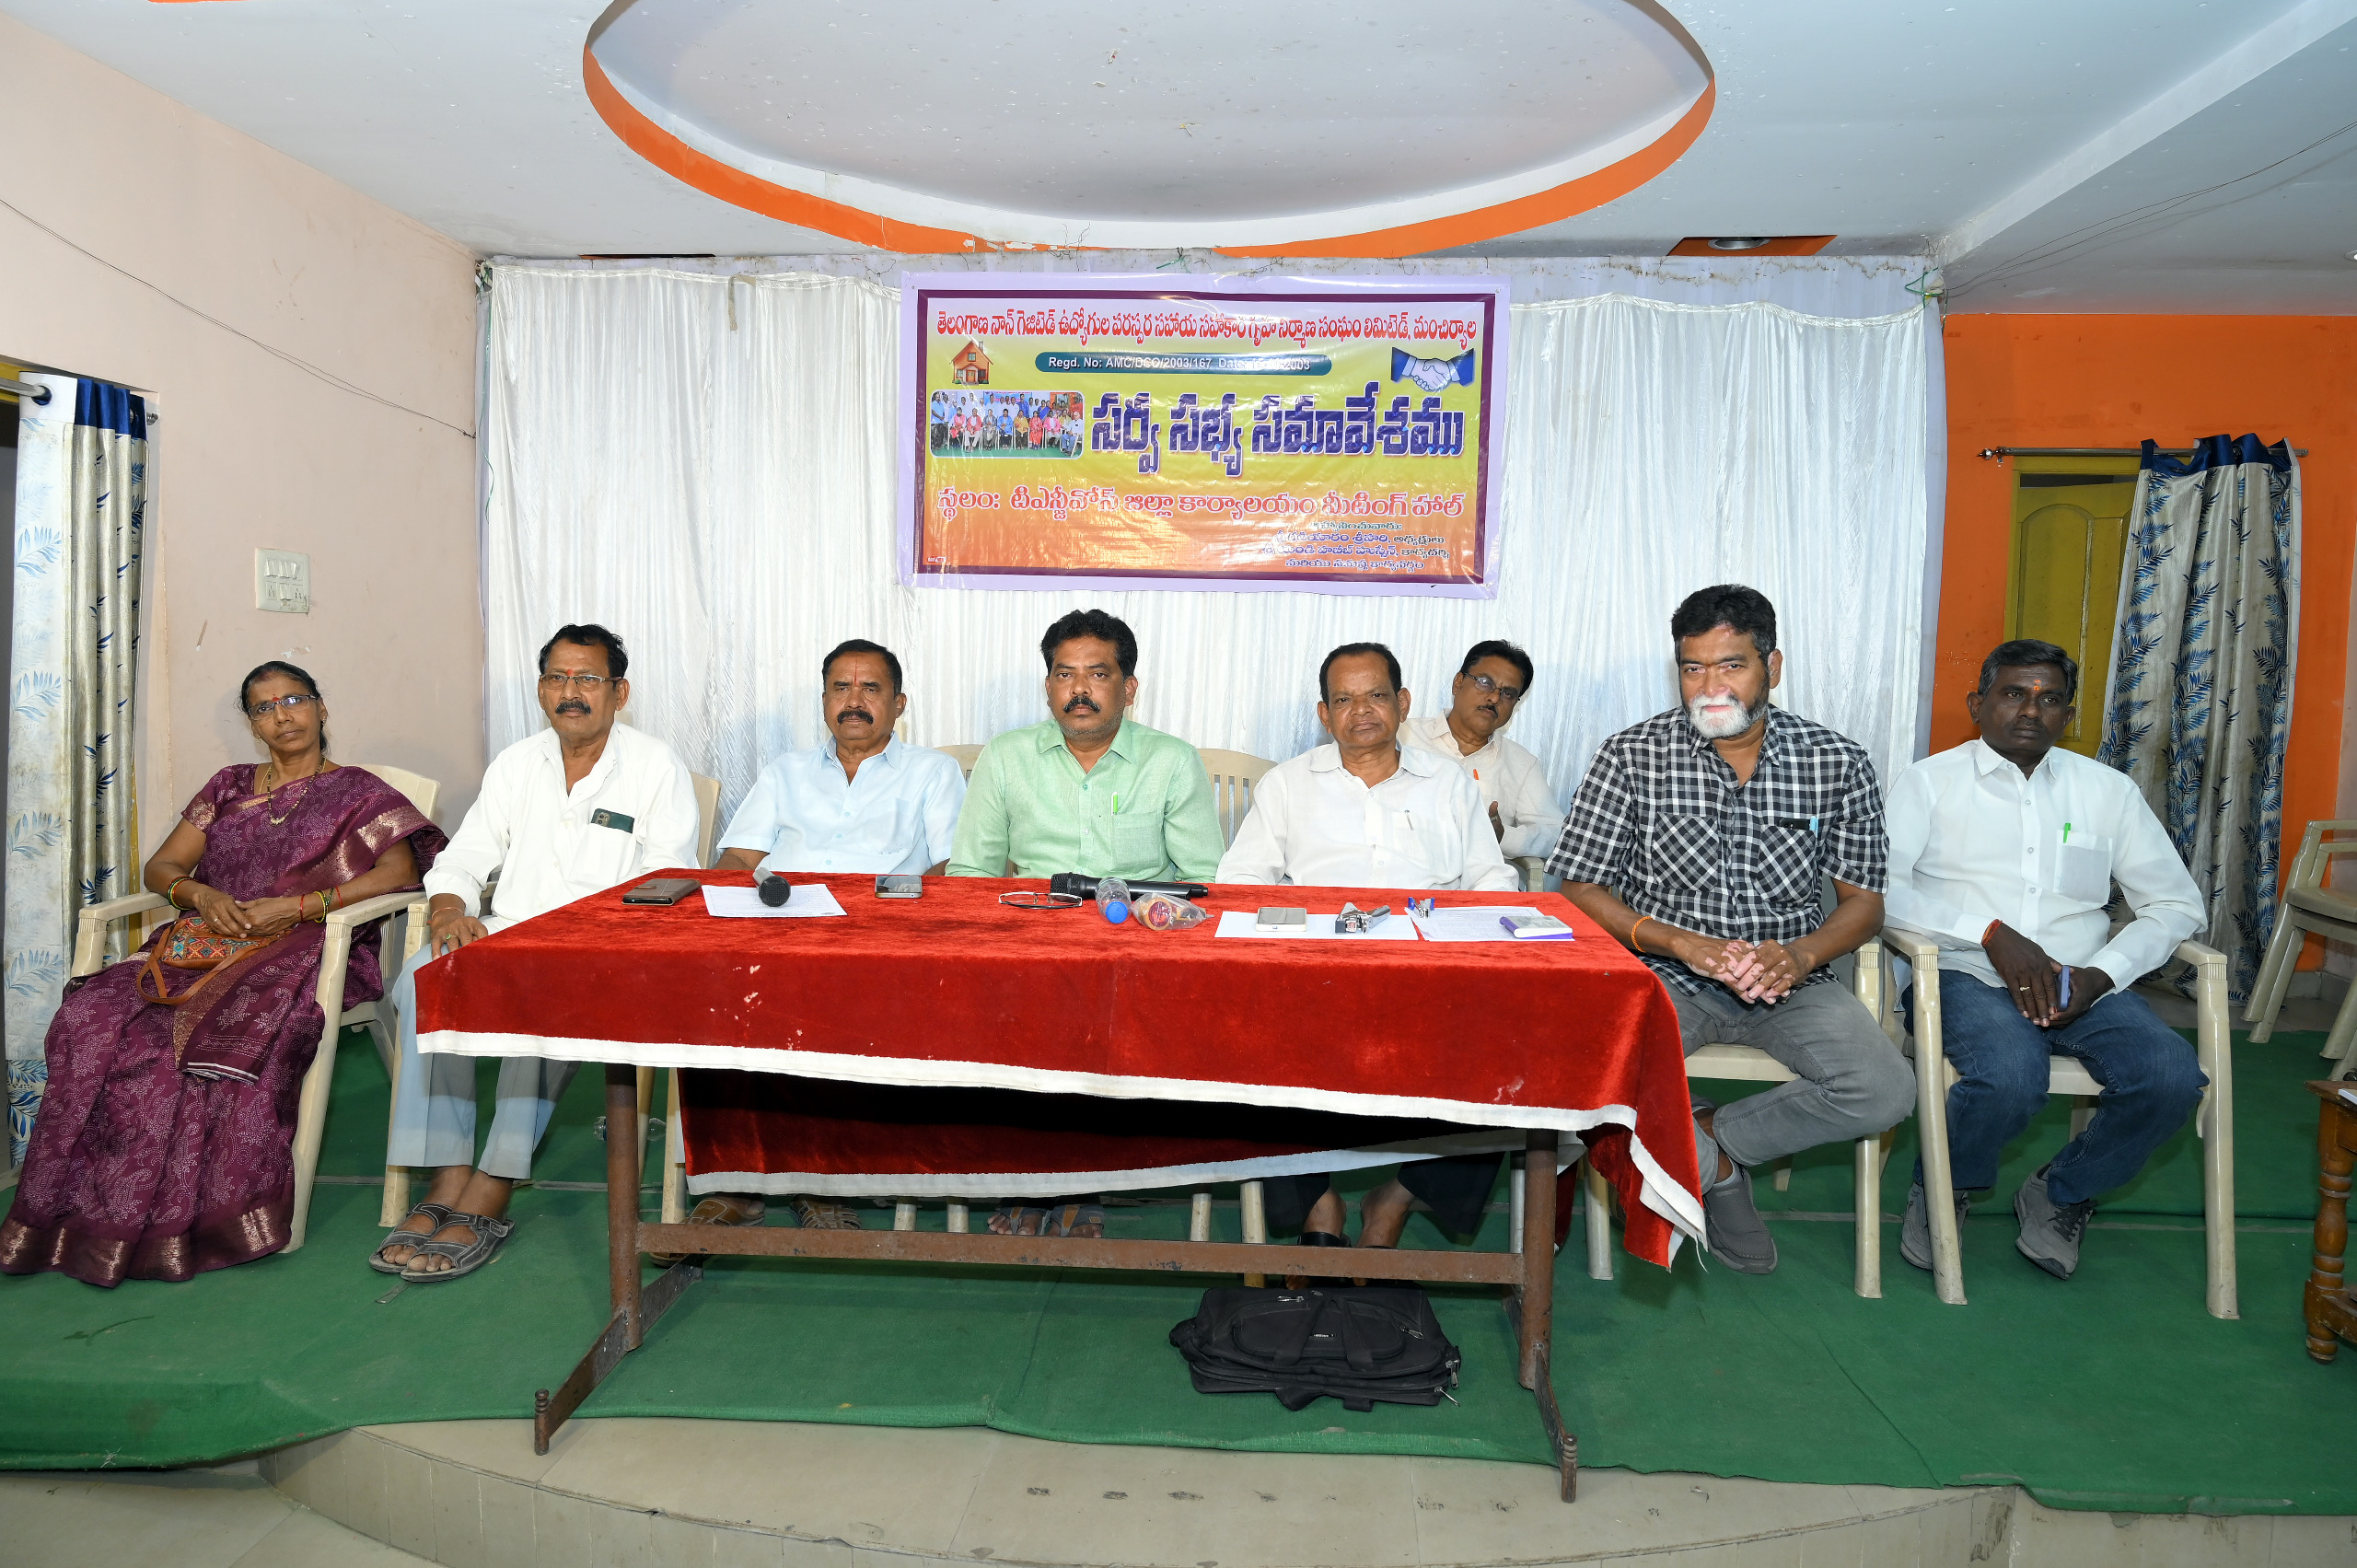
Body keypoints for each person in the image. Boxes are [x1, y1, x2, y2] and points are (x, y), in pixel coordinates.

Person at [0, 662, 443, 1286]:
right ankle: (81, 1208)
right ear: (252, 724)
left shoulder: (359, 792)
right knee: (90, 1016)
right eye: (264, 707)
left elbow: (400, 873)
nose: (282, 715)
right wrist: (200, 895)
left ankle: (190, 1221)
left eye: (294, 700)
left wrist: (298, 907)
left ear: (321, 708)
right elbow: (163, 868)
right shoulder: (227, 786)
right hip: (204, 941)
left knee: (190, 1040)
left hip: (308, 947)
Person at [1551, 584, 1911, 1274]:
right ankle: (1716, 1174)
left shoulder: (1835, 760)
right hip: (1667, 976)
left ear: (1772, 666)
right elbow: (1578, 886)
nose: (1710, 687)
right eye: (1693, 668)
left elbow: (1864, 902)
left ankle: (1708, 1140)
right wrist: (1676, 941)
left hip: (1793, 980)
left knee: (1885, 1090)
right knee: (1582, 1075)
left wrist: (1799, 956)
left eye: (1732, 665)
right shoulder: (1632, 754)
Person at [371, 624, 700, 1282]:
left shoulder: (655, 766)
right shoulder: (517, 763)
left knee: (540, 991)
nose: (570, 692)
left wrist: (579, 938)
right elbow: (465, 855)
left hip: (602, 945)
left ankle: (495, 1179)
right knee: (424, 975)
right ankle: (448, 1172)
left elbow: (666, 878)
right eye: (557, 677)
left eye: (588, 679)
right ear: (541, 689)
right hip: (510, 929)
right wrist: (450, 907)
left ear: (619, 693)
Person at [1884, 638, 2204, 1281]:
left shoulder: (2107, 791)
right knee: (2008, 1072)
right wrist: (1989, 933)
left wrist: (2102, 974)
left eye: (2050, 698)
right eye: (2013, 693)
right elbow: (1880, 892)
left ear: (2067, 714)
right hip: (1964, 972)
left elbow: (2176, 904)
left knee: (2170, 1075)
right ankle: (1945, 1187)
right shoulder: (1928, 783)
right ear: (1977, 704)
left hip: (2081, 981)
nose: (2031, 710)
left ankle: (2063, 1190)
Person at [1219, 642, 1518, 1280]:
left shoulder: (1449, 783)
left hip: (1430, 974)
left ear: (1402, 703)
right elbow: (1240, 883)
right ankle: (1316, 1201)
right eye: (1345, 699)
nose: (1362, 711)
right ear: (1324, 714)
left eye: (1377, 695)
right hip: (1316, 972)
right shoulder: (1288, 784)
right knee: (1246, 1031)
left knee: (1508, 1040)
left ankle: (1398, 1197)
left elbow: (1493, 880)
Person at [950, 608, 1223, 1238]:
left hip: (1136, 949)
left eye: (1098, 674)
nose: (1079, 689)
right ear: (1047, 686)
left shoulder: (1170, 760)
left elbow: (1205, 880)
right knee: (1009, 1005)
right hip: (1031, 942)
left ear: (1129, 687)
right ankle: (1032, 1173)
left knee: (1100, 1011)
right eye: (1064, 674)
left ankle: (1075, 1180)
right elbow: (971, 876)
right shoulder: (1007, 756)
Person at [689, 638, 966, 1236]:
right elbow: (738, 858)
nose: (854, 701)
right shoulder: (785, 772)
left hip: (879, 941)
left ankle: (820, 1177)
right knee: (717, 992)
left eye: (870, 689)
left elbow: (950, 869)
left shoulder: (932, 772)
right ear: (823, 701)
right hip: (780, 932)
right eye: (841, 688)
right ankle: (737, 1176)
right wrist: (722, 906)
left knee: (831, 1003)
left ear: (899, 703)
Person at [1400, 639, 1565, 865]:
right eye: (1485, 683)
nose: (1494, 698)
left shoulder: (1521, 764)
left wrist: (1503, 836)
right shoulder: (1403, 737)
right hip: (1405, 874)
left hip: (1483, 880)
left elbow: (1556, 833)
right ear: (1458, 683)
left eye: (1508, 694)